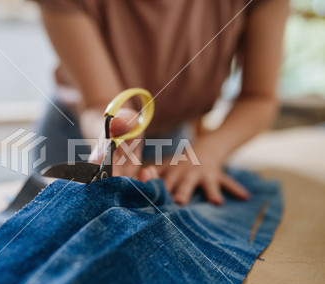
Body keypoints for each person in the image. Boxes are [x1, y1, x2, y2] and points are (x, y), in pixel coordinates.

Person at [30, 0, 289, 206]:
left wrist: (208, 152)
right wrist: (112, 133)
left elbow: (259, 97)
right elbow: (99, 102)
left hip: (178, 144)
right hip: (77, 136)